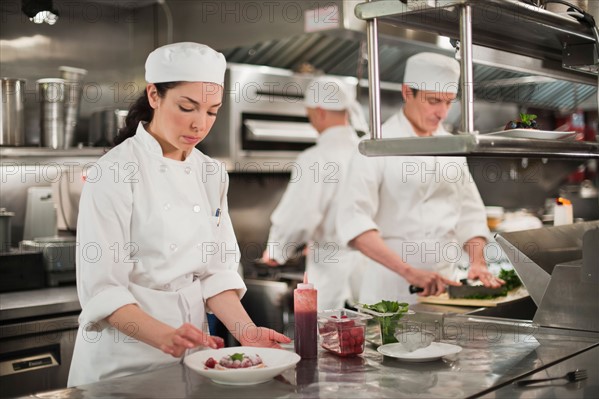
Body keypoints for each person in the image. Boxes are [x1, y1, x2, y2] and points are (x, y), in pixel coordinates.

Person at [68, 42, 290, 387]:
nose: (200, 124)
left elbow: (215, 272)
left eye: (212, 111)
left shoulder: (211, 173)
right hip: (120, 367)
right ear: (154, 95)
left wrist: (248, 333)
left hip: (191, 362)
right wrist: (163, 336)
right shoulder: (114, 172)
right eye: (187, 107)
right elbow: (102, 291)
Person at [336, 52, 505, 305]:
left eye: (449, 102)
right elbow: (354, 221)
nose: (442, 113)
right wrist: (410, 272)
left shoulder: (452, 146)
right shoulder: (375, 146)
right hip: (391, 289)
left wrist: (477, 262)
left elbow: (470, 215)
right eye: (434, 101)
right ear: (407, 93)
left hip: (447, 290)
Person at [262, 76, 368, 310]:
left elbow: (301, 215)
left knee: (329, 341)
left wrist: (276, 250)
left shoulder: (315, 159)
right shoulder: (366, 152)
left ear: (319, 112)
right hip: (368, 273)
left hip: (332, 278)